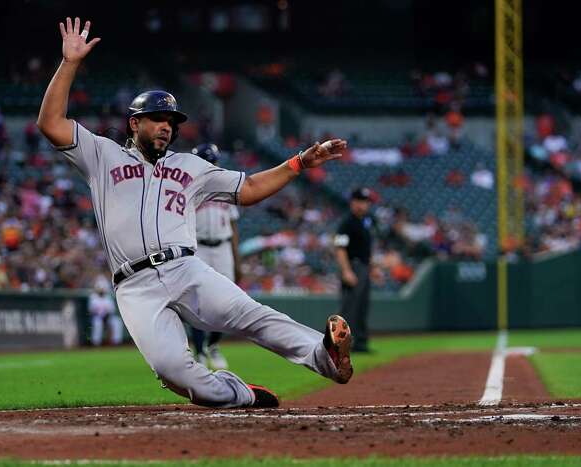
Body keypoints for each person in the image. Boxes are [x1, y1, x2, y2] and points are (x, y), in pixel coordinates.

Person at [36, 17, 353, 409]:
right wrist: (69, 63)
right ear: (134, 123)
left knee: (251, 315)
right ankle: (239, 393)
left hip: (186, 268)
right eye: (157, 119)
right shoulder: (102, 155)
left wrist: (297, 164)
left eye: (171, 121)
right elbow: (50, 123)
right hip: (134, 285)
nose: (166, 127)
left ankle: (324, 356)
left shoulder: (191, 167)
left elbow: (250, 188)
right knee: (177, 374)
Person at [189, 143, 241, 370]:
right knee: (196, 302)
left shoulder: (226, 187)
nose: (212, 165)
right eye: (207, 161)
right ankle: (199, 351)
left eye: (214, 161)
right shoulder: (189, 188)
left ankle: (214, 345)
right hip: (198, 247)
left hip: (223, 248)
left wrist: (237, 259)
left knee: (226, 301)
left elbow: (233, 225)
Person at [334, 188, 377, 353]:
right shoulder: (347, 222)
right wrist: (346, 270)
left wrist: (372, 268)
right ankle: (339, 344)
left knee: (362, 305)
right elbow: (339, 248)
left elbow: (367, 249)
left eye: (365, 202)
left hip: (364, 266)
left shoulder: (366, 221)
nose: (363, 205)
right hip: (353, 265)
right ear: (352, 202)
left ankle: (360, 343)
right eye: (360, 201)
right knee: (349, 306)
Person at [88, 275, 123, 346]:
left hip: (108, 317)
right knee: (97, 323)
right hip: (97, 317)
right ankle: (96, 343)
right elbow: (91, 310)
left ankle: (116, 342)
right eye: (100, 288)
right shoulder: (93, 297)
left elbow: (111, 310)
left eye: (102, 288)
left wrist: (107, 316)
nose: (101, 290)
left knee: (117, 321)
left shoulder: (108, 297)